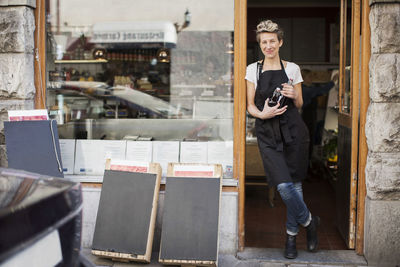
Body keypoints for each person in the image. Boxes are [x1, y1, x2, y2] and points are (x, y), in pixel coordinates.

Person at [245, 20, 320, 259]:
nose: (268, 45)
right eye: (264, 42)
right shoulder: (252, 70)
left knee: (295, 184)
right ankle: (310, 222)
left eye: (272, 41)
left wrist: (293, 94)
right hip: (267, 133)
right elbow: (249, 105)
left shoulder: (293, 69)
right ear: (260, 44)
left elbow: (299, 104)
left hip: (294, 132)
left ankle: (291, 238)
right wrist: (262, 113)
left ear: (280, 42)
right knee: (283, 185)